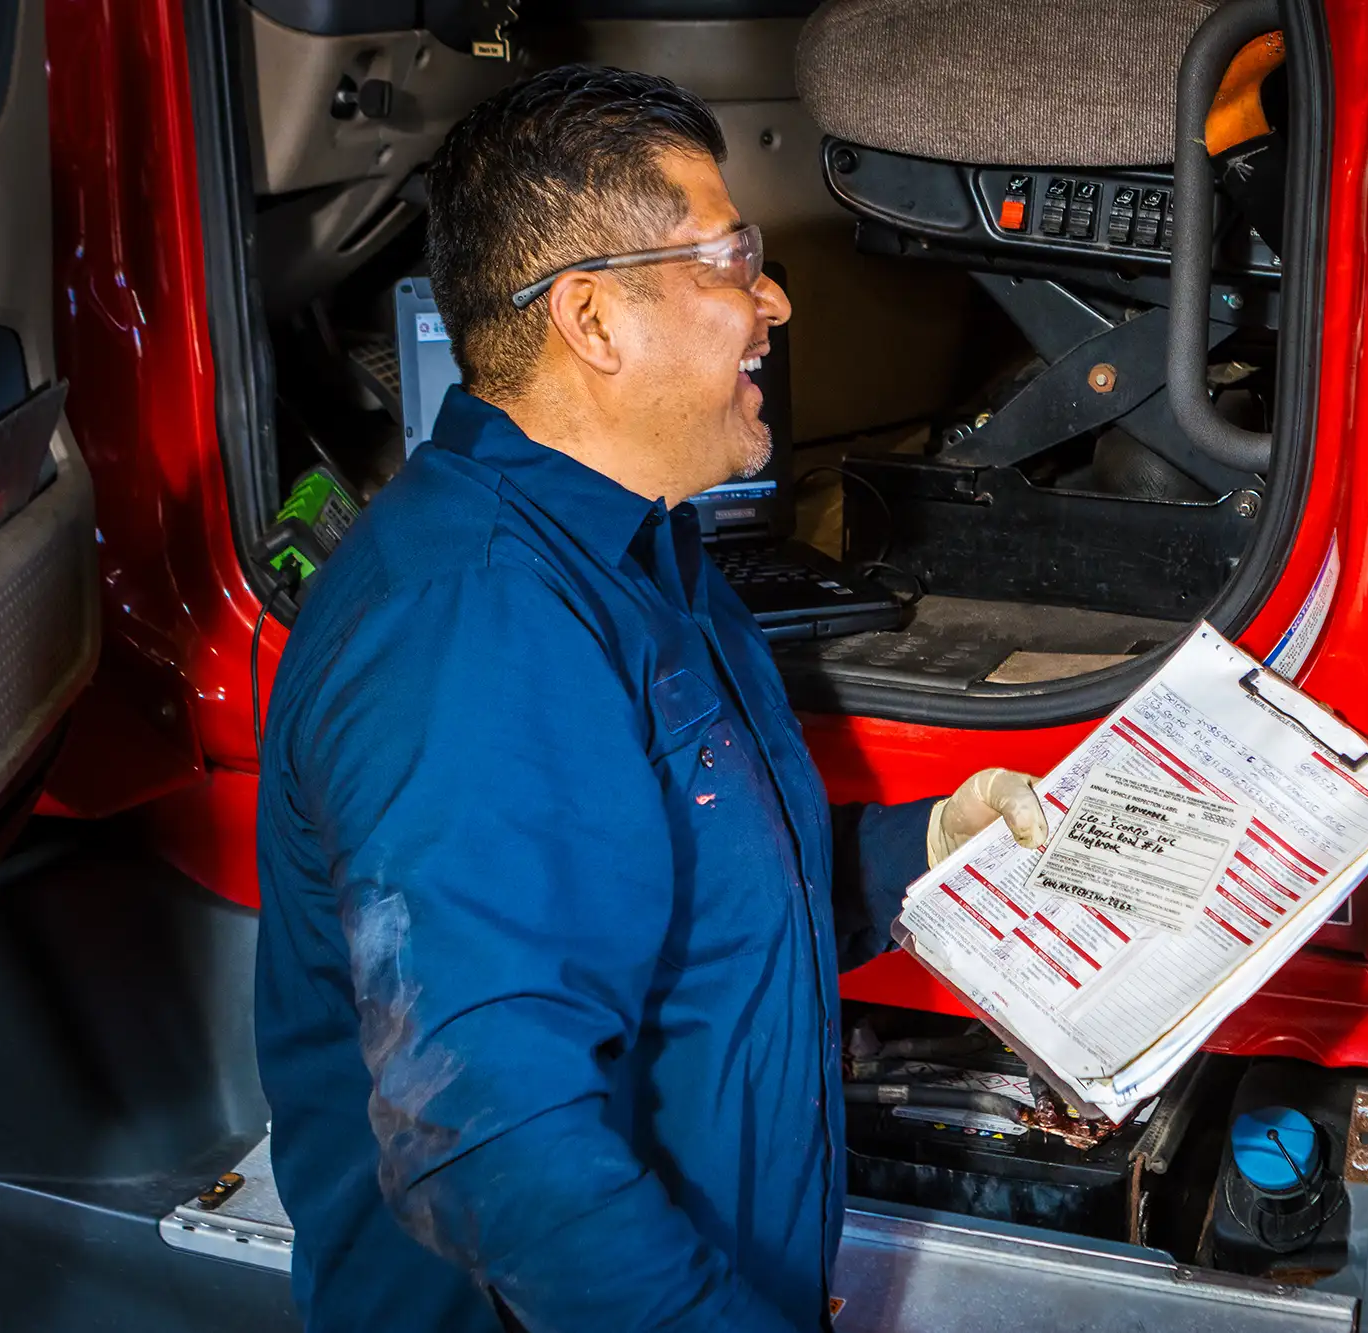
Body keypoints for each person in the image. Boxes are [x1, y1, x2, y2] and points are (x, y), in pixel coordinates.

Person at [253, 65, 1049, 1333]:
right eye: (731, 260)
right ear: (591, 320)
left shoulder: (639, 558)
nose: (771, 301)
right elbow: (492, 1143)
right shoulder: (469, 628)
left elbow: (692, 894)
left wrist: (928, 852)